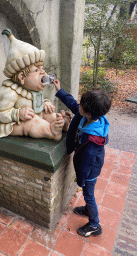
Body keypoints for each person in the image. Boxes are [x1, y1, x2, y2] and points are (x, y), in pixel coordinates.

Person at [0, 28, 71, 141]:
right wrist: (18, 113)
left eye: (42, 68)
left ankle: (61, 123)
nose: (43, 73)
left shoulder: (32, 87)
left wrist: (44, 103)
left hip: (33, 114)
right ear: (22, 77)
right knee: (32, 122)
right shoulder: (9, 91)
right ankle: (51, 131)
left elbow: (35, 102)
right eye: (36, 70)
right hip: (10, 123)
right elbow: (1, 113)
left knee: (48, 115)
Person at [54, 79, 112, 237]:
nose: (77, 105)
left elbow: (87, 163)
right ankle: (87, 209)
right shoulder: (85, 116)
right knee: (88, 193)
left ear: (88, 112)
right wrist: (60, 90)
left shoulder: (93, 140)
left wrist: (81, 180)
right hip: (87, 167)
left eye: (81, 105)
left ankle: (94, 225)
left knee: (89, 194)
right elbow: (72, 103)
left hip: (90, 171)